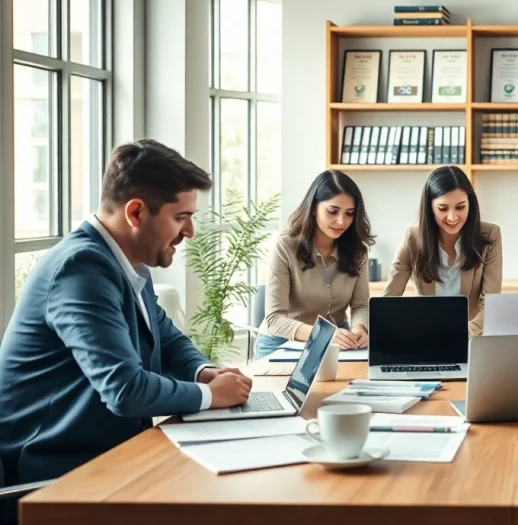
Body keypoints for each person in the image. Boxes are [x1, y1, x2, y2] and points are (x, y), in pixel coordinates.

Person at [0, 140, 252, 521]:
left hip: (110, 459)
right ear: (136, 212)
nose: (190, 231)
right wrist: (209, 396)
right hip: (53, 478)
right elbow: (125, 389)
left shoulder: (129, 264)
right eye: (181, 217)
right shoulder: (80, 269)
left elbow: (166, 337)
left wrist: (204, 372)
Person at [253, 170, 375, 359]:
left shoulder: (358, 251)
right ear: (313, 208)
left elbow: (360, 305)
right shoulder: (285, 247)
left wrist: (360, 328)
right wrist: (323, 335)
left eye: (349, 213)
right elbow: (275, 319)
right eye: (332, 211)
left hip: (338, 341)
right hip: (282, 342)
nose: (341, 221)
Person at [382, 166, 502, 336]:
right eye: (443, 208)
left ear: (470, 204)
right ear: (430, 208)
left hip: (472, 337)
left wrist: (464, 333)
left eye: (460, 207)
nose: (452, 217)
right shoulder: (413, 239)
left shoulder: (490, 235)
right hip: (427, 335)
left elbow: (491, 303)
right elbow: (388, 301)